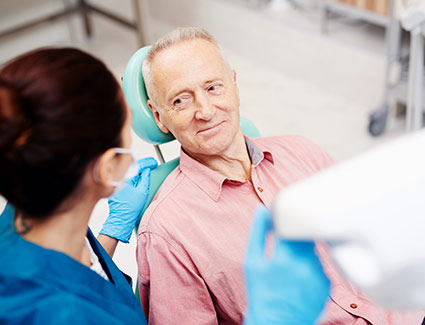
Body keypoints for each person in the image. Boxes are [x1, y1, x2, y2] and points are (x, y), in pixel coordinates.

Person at [134, 27, 425, 324]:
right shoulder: (166, 232)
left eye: (213, 87)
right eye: (181, 100)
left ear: (234, 85)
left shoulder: (302, 152)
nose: (205, 110)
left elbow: (376, 235)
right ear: (159, 116)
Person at [0, 48, 157, 324]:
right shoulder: (66, 316)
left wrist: (112, 232)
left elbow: (74, 277)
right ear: (108, 167)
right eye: (127, 129)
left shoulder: (32, 194)